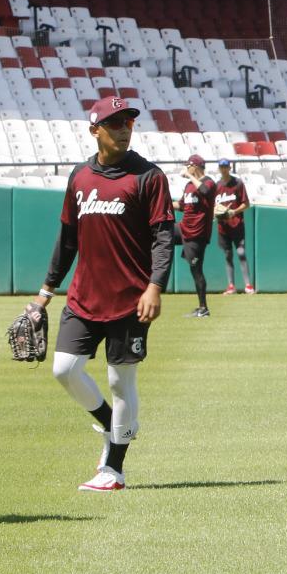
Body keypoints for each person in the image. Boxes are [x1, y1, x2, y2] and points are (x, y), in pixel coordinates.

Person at [27, 96, 174, 492]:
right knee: (64, 369)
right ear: (95, 130)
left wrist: (154, 286)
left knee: (120, 380)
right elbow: (67, 239)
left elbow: (163, 238)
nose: (124, 128)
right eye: (114, 123)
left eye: (128, 121)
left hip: (131, 300)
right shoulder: (79, 177)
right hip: (83, 297)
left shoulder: (148, 176)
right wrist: (45, 292)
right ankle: (114, 425)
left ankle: (114, 469)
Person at [174, 154, 216, 317]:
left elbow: (205, 190)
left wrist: (190, 176)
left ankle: (203, 308)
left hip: (197, 234)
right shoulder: (188, 185)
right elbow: (182, 206)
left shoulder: (209, 182)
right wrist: (165, 203)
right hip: (184, 228)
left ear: (196, 167)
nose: (186, 167)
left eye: (189, 165)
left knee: (196, 270)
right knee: (160, 233)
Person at [213, 158, 253, 294]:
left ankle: (248, 285)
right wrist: (216, 213)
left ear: (229, 168)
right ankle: (231, 286)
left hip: (236, 225)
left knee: (241, 253)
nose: (223, 169)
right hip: (223, 227)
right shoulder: (216, 186)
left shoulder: (237, 183)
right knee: (228, 255)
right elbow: (213, 207)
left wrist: (234, 212)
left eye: (226, 167)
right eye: (221, 167)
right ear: (219, 168)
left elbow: (246, 203)